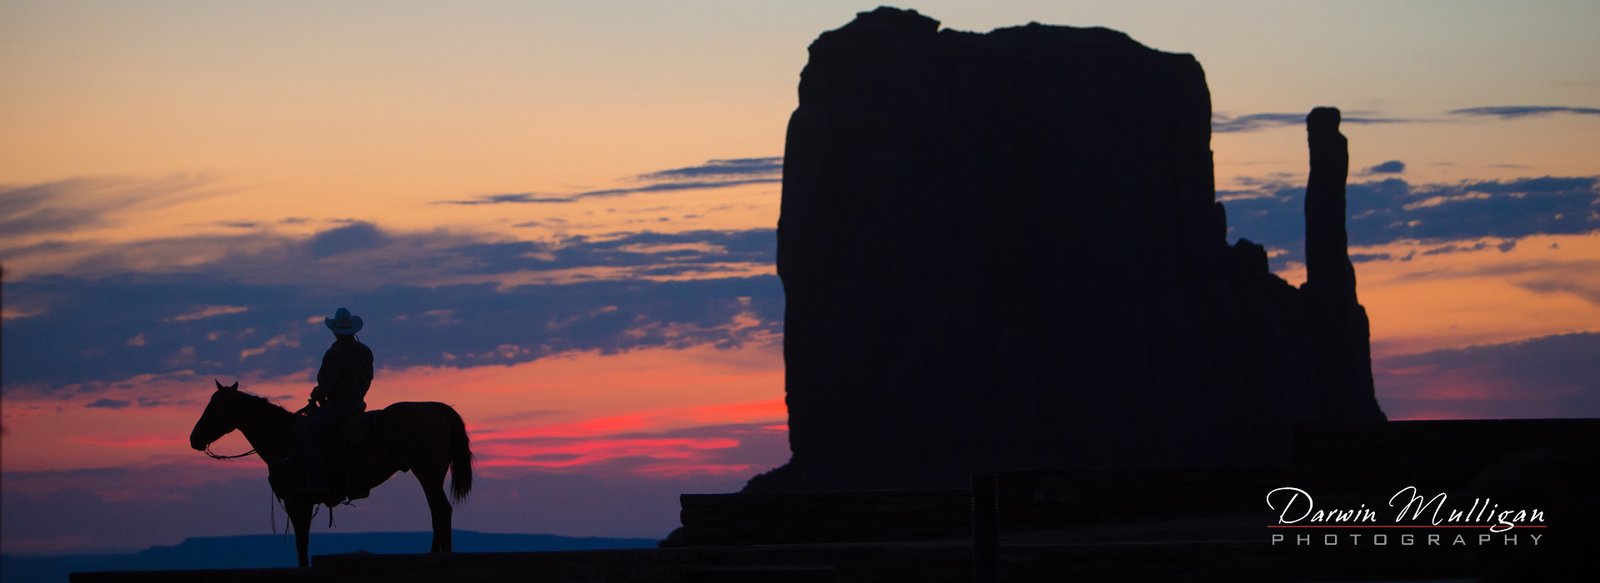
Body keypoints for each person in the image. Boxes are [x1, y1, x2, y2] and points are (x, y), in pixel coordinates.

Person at [295, 307, 374, 496]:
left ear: (335, 332)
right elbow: (368, 378)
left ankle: (318, 485)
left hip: (339, 406)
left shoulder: (334, 354)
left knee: (308, 434)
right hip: (358, 404)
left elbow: (326, 384)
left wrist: (316, 392)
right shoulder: (365, 351)